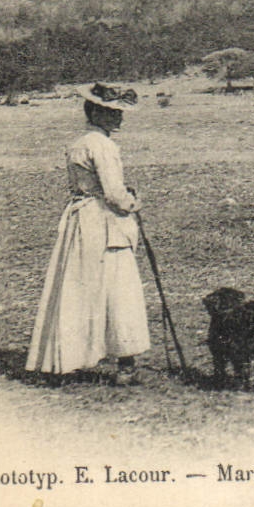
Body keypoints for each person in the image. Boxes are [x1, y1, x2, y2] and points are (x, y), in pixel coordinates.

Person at [26, 83, 151, 385]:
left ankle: (68, 358)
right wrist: (133, 202)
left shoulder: (78, 143)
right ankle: (126, 364)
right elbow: (113, 194)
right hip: (104, 223)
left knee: (77, 288)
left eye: (120, 112)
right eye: (112, 112)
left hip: (81, 223)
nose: (119, 117)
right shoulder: (103, 146)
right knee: (119, 291)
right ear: (96, 112)